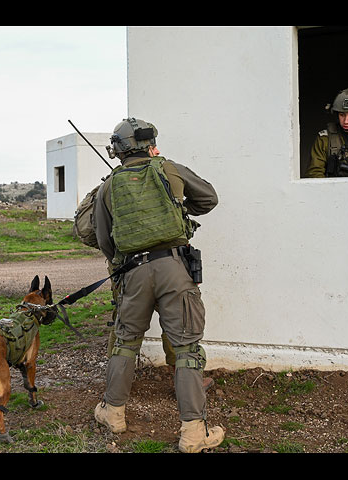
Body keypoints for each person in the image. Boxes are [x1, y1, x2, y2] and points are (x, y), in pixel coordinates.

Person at [93, 117, 225, 453]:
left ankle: (114, 413)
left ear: (119, 149)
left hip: (133, 273)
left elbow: (103, 239)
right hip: (173, 267)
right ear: (148, 144)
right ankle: (194, 433)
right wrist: (180, 210)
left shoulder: (108, 186)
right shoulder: (169, 169)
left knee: (125, 343)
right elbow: (208, 198)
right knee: (186, 350)